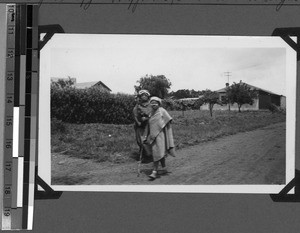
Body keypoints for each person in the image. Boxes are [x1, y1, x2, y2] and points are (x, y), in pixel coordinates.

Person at [146, 96, 175, 180]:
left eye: (155, 103)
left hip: (161, 135)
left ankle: (154, 172)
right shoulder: (151, 113)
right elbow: (149, 124)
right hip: (153, 136)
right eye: (152, 103)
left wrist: (164, 124)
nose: (153, 104)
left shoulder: (162, 110)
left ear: (159, 104)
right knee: (160, 152)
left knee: (157, 152)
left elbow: (169, 119)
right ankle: (164, 168)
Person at [133, 90, 152, 158]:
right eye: (142, 95)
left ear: (148, 97)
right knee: (140, 141)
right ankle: (144, 154)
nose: (144, 96)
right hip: (140, 125)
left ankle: (149, 154)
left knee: (148, 140)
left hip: (149, 125)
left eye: (145, 95)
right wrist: (138, 122)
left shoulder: (151, 105)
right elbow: (135, 115)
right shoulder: (137, 106)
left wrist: (147, 118)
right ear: (140, 97)